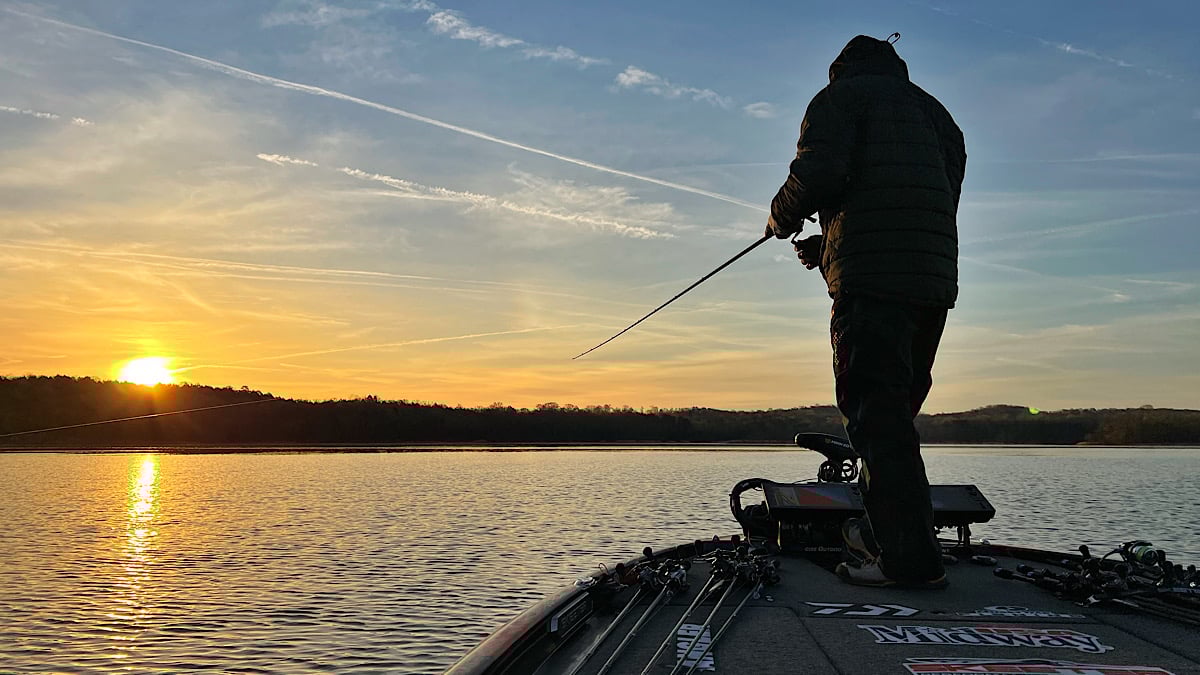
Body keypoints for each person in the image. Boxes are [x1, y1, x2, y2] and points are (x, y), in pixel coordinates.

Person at [765, 34, 966, 588]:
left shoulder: (840, 100)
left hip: (873, 283)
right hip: (931, 284)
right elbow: (906, 199)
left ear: (840, 71)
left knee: (876, 419)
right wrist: (827, 243)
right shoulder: (937, 115)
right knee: (894, 416)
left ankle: (908, 563)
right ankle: (891, 539)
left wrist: (782, 216)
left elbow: (821, 171)